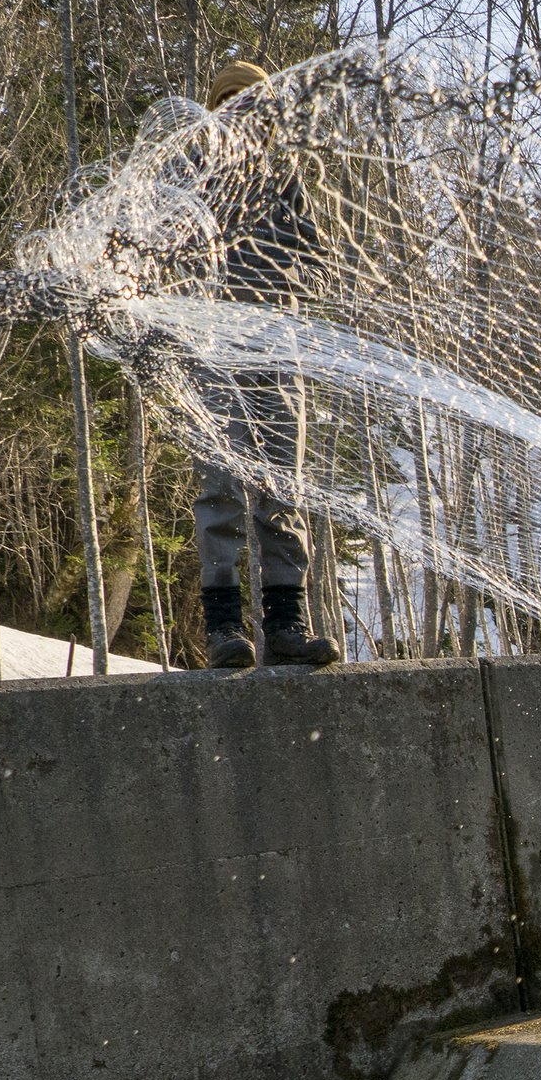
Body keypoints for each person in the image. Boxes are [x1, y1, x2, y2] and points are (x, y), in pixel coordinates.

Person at [193, 59, 338, 669]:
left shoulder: (285, 180)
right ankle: (225, 629)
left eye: (251, 100)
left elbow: (321, 260)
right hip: (211, 352)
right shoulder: (193, 177)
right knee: (221, 489)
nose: (241, 111)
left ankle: (286, 626)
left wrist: (291, 281)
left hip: (278, 352)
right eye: (229, 101)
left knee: (283, 488)